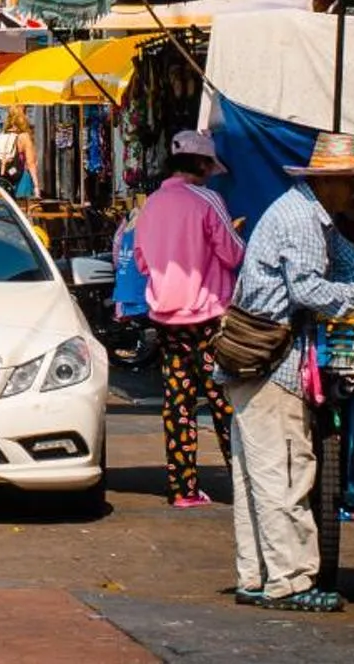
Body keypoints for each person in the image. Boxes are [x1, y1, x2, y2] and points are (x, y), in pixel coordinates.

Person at [224, 130, 354, 614]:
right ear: (328, 181)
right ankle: (289, 581)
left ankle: (259, 576)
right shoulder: (300, 220)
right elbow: (310, 291)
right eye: (351, 183)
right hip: (273, 363)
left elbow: (353, 267)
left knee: (258, 477)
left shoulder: (315, 218)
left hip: (255, 361)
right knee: (285, 473)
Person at [131, 130, 243, 508]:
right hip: (208, 317)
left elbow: (142, 262)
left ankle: (183, 490)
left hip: (165, 317)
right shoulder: (208, 200)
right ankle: (243, 484)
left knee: (177, 402)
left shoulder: (151, 206)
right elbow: (233, 253)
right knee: (223, 401)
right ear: (200, 164)